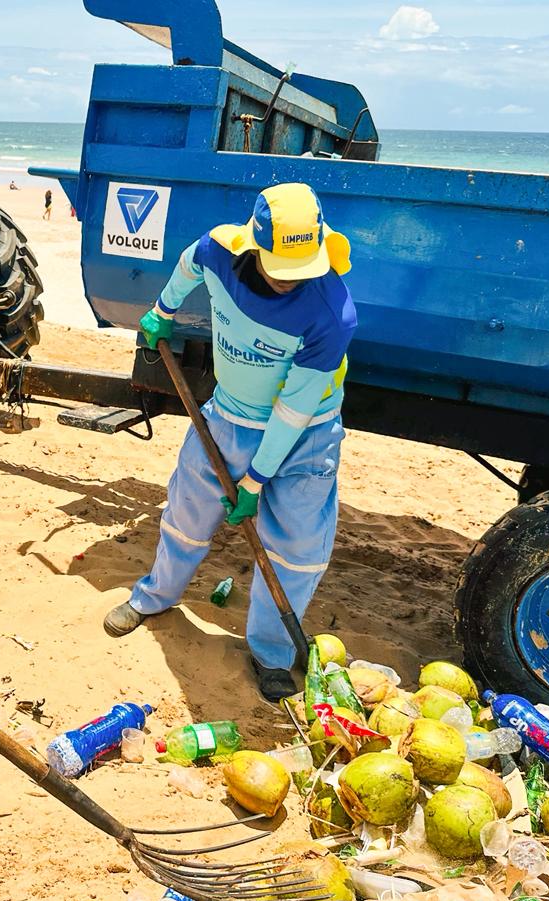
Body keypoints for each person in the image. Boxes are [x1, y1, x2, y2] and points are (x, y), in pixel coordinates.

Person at [103, 183, 357, 703]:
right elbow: (189, 262)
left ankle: (270, 652)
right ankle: (154, 598)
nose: (292, 283)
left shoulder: (331, 312)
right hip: (227, 418)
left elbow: (294, 408)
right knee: (187, 515)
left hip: (303, 439)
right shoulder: (219, 250)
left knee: (295, 552)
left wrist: (255, 479)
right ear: (255, 248)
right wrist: (163, 310)